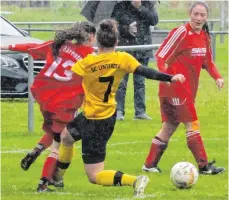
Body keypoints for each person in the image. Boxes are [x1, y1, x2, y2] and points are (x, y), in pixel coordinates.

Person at [53, 19, 185, 197]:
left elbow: (65, 79)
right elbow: (145, 71)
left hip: (96, 121)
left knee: (94, 175)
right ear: (117, 41)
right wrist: (169, 78)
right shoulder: (122, 58)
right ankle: (57, 179)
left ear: (97, 41)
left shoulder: (87, 62)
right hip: (101, 115)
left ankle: (135, 180)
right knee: (66, 137)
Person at [1, 21, 96, 191]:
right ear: (90, 37)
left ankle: (36, 151)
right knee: (58, 145)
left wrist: (7, 45)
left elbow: (31, 46)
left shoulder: (59, 45)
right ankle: (43, 183)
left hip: (45, 96)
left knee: (54, 131)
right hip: (65, 102)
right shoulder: (90, 55)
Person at [142, 1, 225, 175]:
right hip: (175, 88)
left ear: (207, 17)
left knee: (169, 126)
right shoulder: (181, 32)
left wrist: (217, 77)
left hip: (187, 89)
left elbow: (208, 62)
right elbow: (161, 55)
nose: (199, 18)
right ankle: (203, 166)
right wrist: (167, 77)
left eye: (203, 15)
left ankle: (149, 165)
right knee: (192, 123)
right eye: (196, 14)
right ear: (190, 13)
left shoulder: (204, 36)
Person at [111, 0, 159, 120]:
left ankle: (140, 112)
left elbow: (154, 20)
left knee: (140, 82)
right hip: (124, 50)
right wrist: (126, 29)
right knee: (121, 82)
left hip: (142, 49)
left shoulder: (148, 4)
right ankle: (119, 111)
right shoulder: (120, 6)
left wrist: (140, 7)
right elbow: (112, 26)